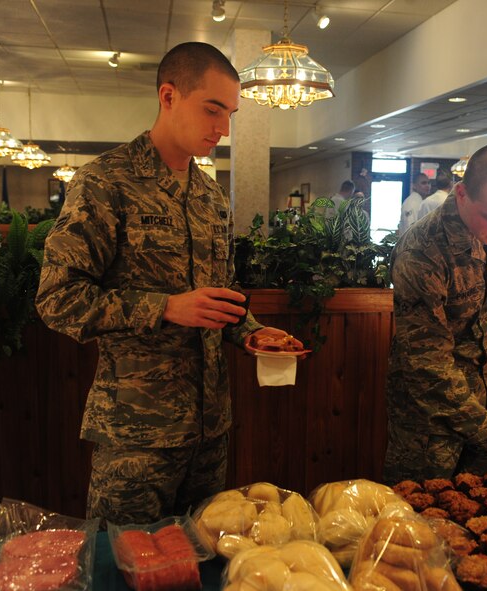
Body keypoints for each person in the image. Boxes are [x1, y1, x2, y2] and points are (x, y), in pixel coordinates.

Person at [35, 42, 294, 524]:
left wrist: (253, 331)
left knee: (202, 561)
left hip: (210, 430)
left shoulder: (210, 196)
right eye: (212, 109)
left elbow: (223, 295)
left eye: (231, 114)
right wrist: (165, 308)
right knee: (122, 564)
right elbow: (58, 299)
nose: (223, 128)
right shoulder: (104, 182)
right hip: (136, 435)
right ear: (169, 96)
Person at [385, 143, 487, 484]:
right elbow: (425, 362)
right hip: (432, 423)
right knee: (420, 521)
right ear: (461, 193)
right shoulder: (422, 251)